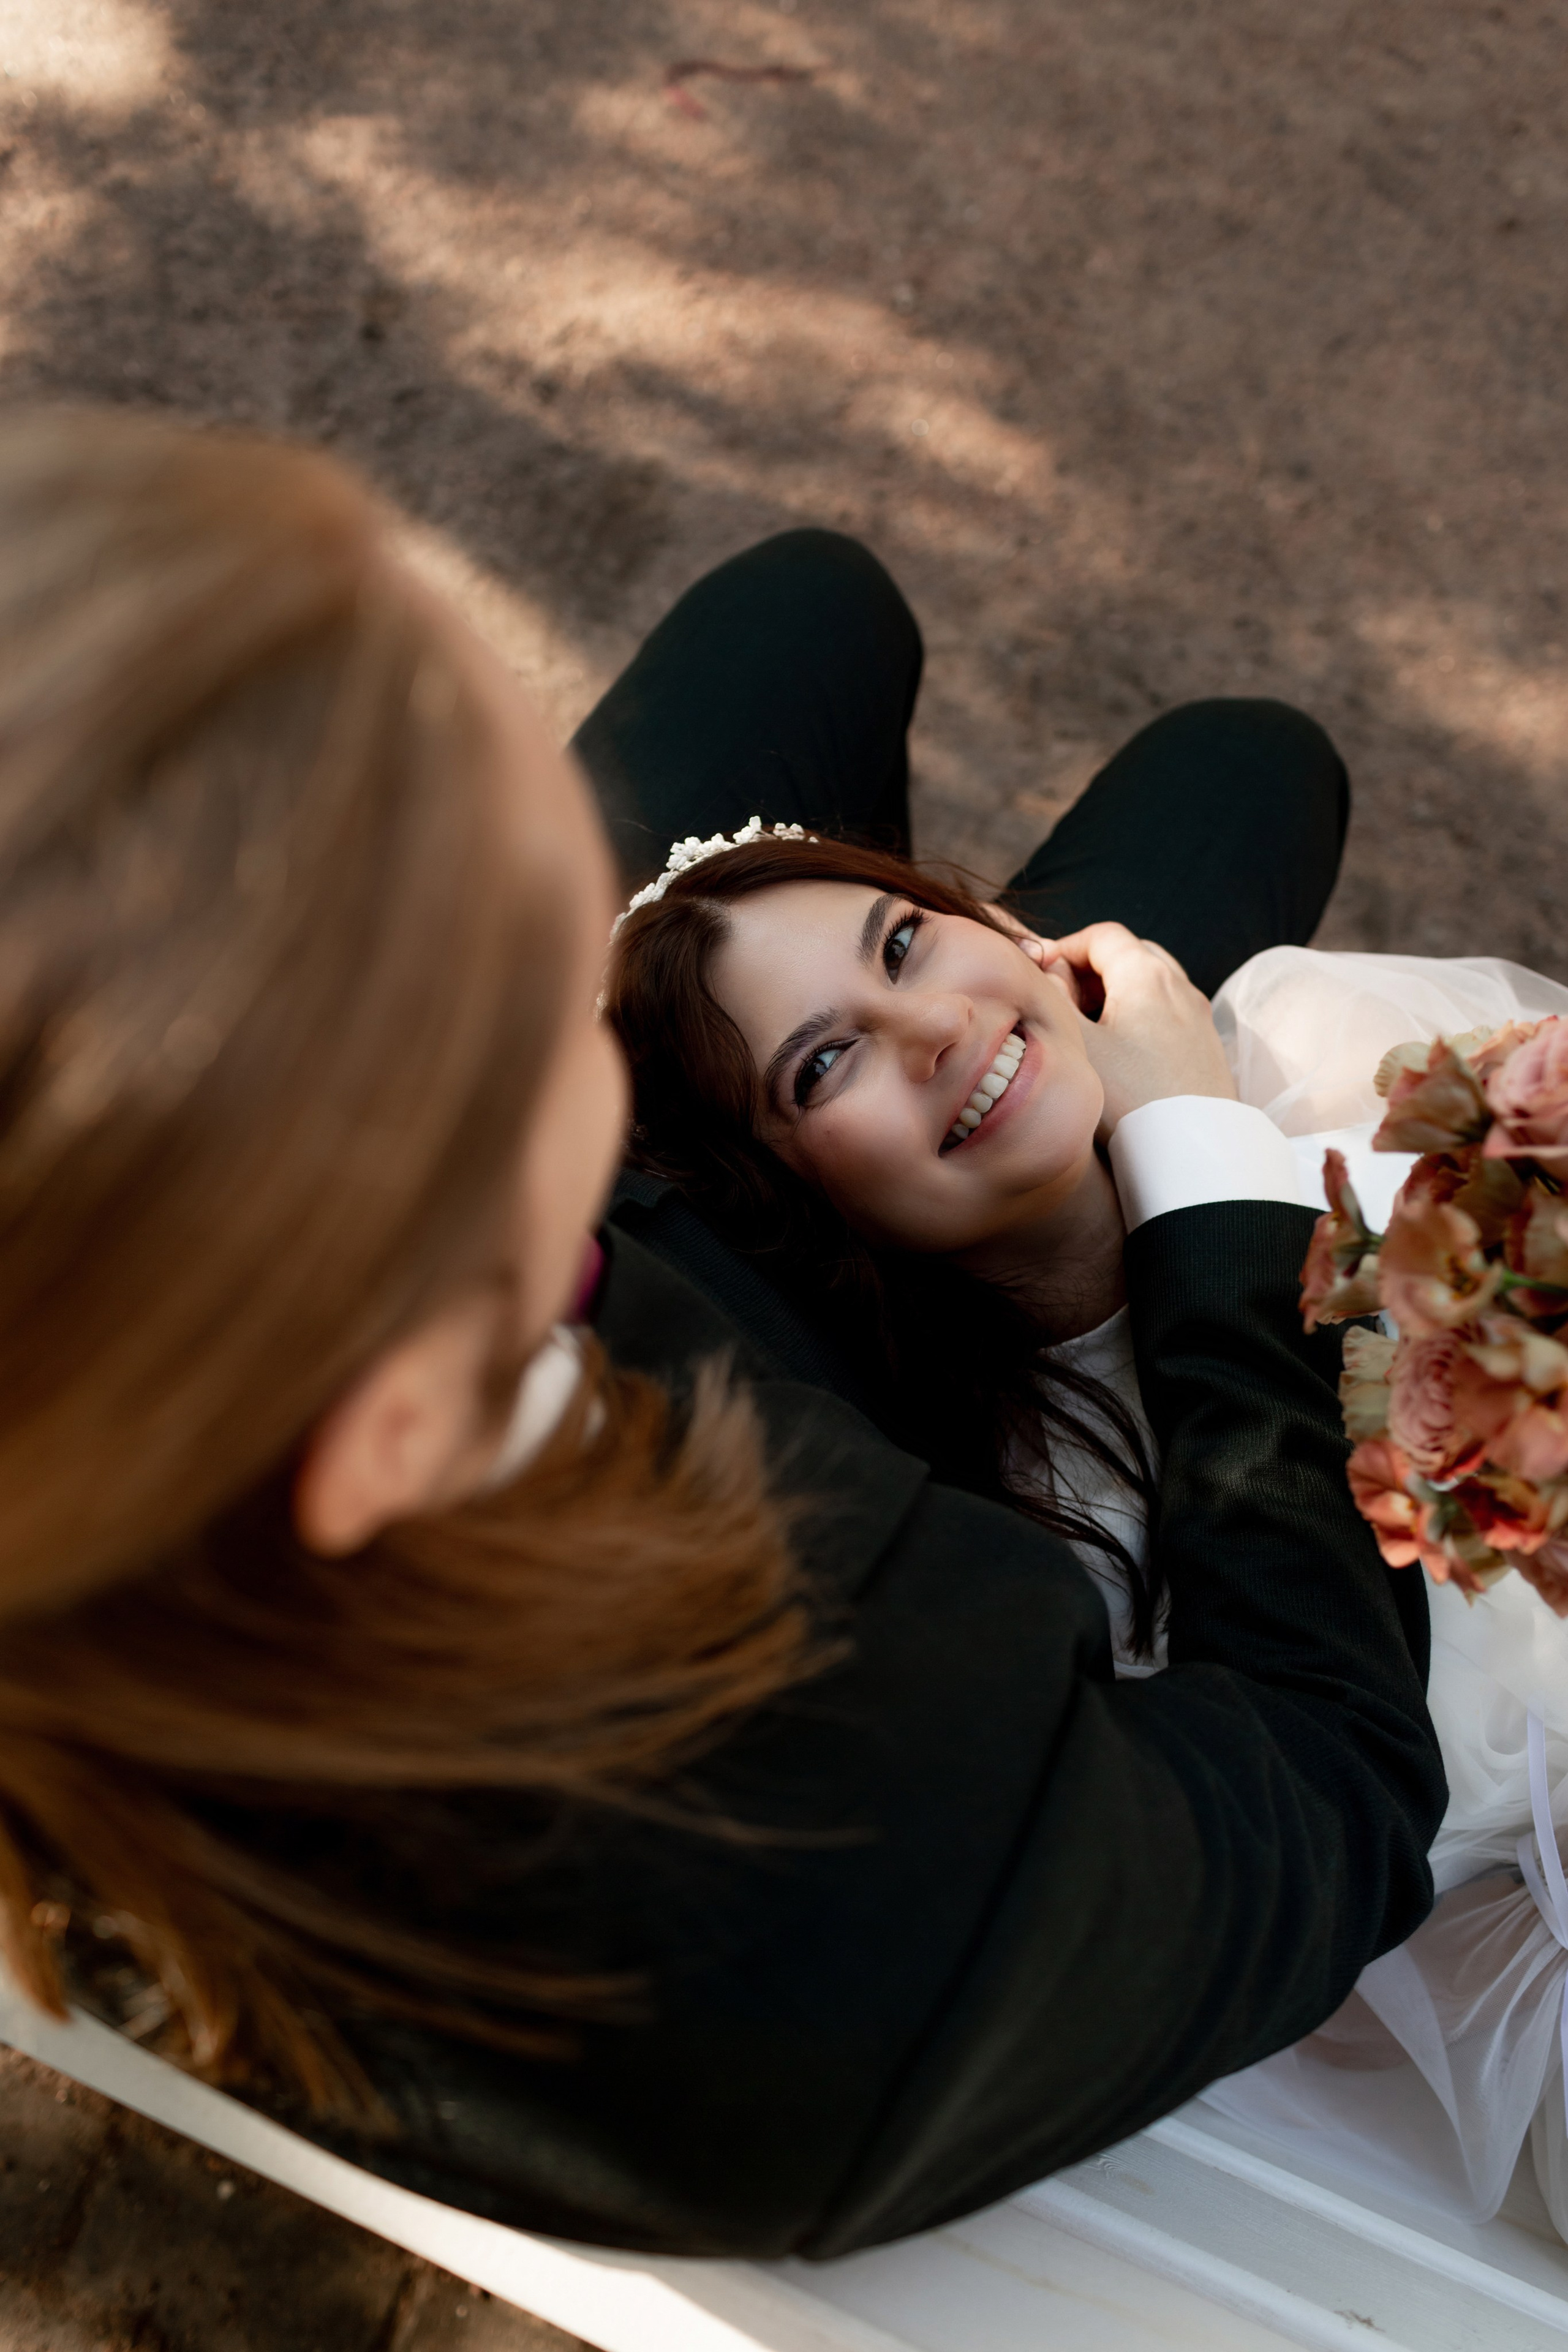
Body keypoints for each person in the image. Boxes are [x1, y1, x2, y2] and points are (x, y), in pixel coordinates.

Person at [0, 409, 1442, 2260]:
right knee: (1244, 777)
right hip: (901, 1400)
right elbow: (1334, 1771)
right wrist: (1197, 1173)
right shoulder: (854, 1857)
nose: (584, 994)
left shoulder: (179, 1413)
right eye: (517, 994)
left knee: (809, 607)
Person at [606, 811, 1568, 2237]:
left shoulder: (1334, 1057)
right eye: (823, 1061)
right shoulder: (1028, 1556)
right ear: (787, 1207)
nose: (927, 1024)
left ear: (1010, 932)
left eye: (904, 940)